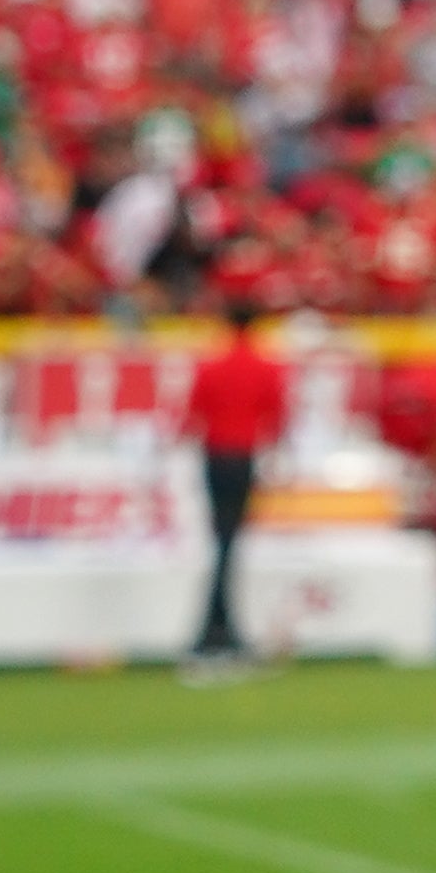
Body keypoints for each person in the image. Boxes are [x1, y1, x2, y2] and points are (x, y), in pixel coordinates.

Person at [179, 291, 284, 681]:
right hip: (243, 456)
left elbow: (192, 413)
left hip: (214, 455)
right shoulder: (265, 365)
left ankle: (216, 628)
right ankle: (219, 629)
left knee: (223, 541)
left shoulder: (212, 363)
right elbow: (276, 415)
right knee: (228, 542)